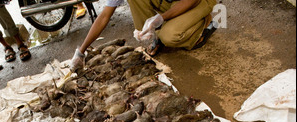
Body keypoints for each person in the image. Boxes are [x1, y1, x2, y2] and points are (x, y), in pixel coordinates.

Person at [71, 0, 218, 69]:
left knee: (170, 36)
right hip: (170, 3)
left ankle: (203, 25)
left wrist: (162, 17)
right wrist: (81, 51)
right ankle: (156, 35)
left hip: (196, 2)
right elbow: (104, 17)